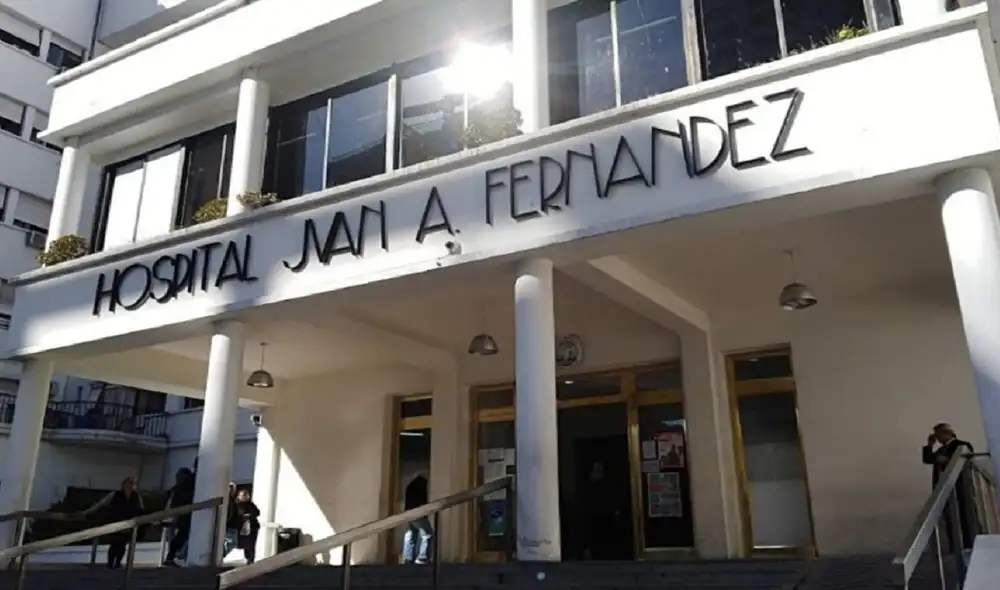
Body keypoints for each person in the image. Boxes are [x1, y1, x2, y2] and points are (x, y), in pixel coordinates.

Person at [922, 423, 976, 552]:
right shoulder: (941, 449)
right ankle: (955, 544)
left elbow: (966, 459)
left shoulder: (961, 445)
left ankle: (969, 544)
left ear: (947, 433)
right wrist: (929, 445)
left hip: (960, 487)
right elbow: (928, 459)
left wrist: (947, 461)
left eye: (938, 434)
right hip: (944, 488)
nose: (938, 438)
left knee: (964, 515)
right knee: (949, 517)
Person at [80, 477, 145, 569]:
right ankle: (110, 563)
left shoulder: (137, 497)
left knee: (122, 544)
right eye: (128, 483)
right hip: (116, 522)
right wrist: (87, 512)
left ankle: (117, 562)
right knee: (115, 543)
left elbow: (141, 510)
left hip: (128, 524)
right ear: (123, 485)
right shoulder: (115, 495)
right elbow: (101, 504)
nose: (130, 486)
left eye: (132, 484)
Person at [164, 467, 195, 566]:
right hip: (185, 514)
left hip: (180, 515)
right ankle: (177, 556)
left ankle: (173, 556)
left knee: (180, 536)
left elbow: (172, 502)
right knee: (183, 535)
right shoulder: (186, 486)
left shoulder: (177, 488)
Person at [402, 472, 432, 564]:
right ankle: (422, 557)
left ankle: (408, 557)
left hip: (409, 513)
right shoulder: (420, 485)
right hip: (418, 513)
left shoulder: (410, 486)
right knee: (427, 534)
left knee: (411, 534)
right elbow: (422, 500)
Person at [227, 489, 261, 564]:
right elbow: (233, 516)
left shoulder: (251, 504)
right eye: (243, 495)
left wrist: (250, 515)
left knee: (251, 543)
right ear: (239, 496)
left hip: (252, 527)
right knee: (237, 542)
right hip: (239, 527)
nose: (245, 497)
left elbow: (257, 512)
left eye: (246, 495)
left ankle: (250, 559)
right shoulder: (235, 505)